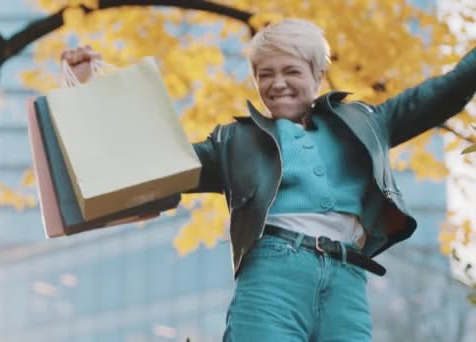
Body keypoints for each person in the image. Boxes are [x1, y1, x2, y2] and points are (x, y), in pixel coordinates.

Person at [60, 18, 476, 341]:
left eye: (291, 71)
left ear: (317, 75)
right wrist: (90, 91)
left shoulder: (366, 123)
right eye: (265, 74)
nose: (277, 84)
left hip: (348, 278)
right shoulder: (235, 142)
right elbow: (156, 163)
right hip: (275, 273)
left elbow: (442, 94)